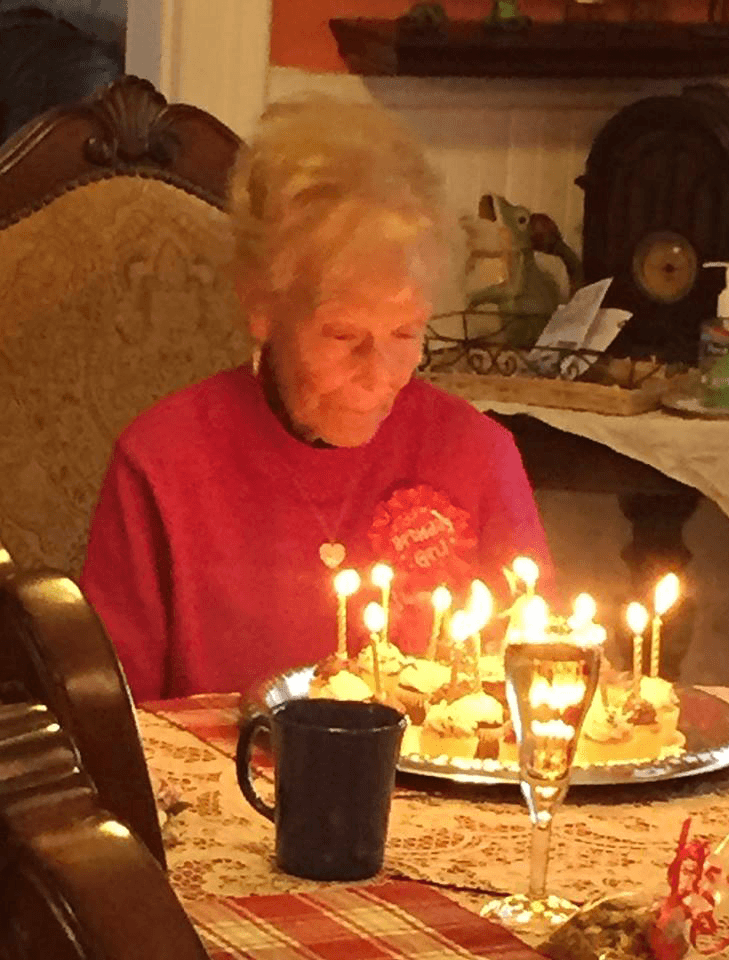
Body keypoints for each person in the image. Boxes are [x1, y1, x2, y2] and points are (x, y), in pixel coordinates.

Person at [81, 96, 552, 702]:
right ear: (262, 306)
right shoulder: (163, 464)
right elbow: (113, 723)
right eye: (342, 335)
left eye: (405, 334)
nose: (379, 374)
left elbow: (538, 686)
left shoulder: (477, 454)